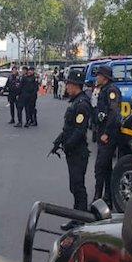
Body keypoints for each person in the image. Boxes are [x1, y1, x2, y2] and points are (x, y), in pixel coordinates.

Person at [50, 68, 93, 229]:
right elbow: (69, 128)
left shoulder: (82, 104)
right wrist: (59, 141)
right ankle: (77, 217)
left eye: (68, 84)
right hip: (73, 152)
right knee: (74, 186)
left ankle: (81, 219)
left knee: (78, 186)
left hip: (78, 152)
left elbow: (79, 131)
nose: (66, 87)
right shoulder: (75, 102)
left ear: (75, 85)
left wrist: (67, 144)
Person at [92, 65, 123, 208]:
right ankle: (107, 198)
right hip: (102, 132)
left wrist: (107, 133)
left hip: (109, 134)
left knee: (100, 167)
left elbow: (114, 113)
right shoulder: (103, 90)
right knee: (105, 168)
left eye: (98, 75)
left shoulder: (112, 91)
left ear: (104, 77)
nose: (96, 77)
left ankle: (98, 198)